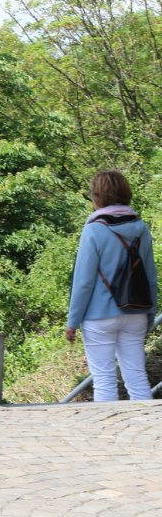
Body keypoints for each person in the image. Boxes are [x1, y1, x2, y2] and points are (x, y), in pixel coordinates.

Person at [66, 170, 158, 401]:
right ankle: (146, 429)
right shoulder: (141, 228)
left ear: (97, 196)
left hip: (99, 316)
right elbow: (150, 277)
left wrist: (73, 321)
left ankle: (105, 432)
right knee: (137, 377)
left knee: (104, 379)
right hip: (136, 312)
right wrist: (150, 312)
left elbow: (84, 282)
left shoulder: (94, 230)